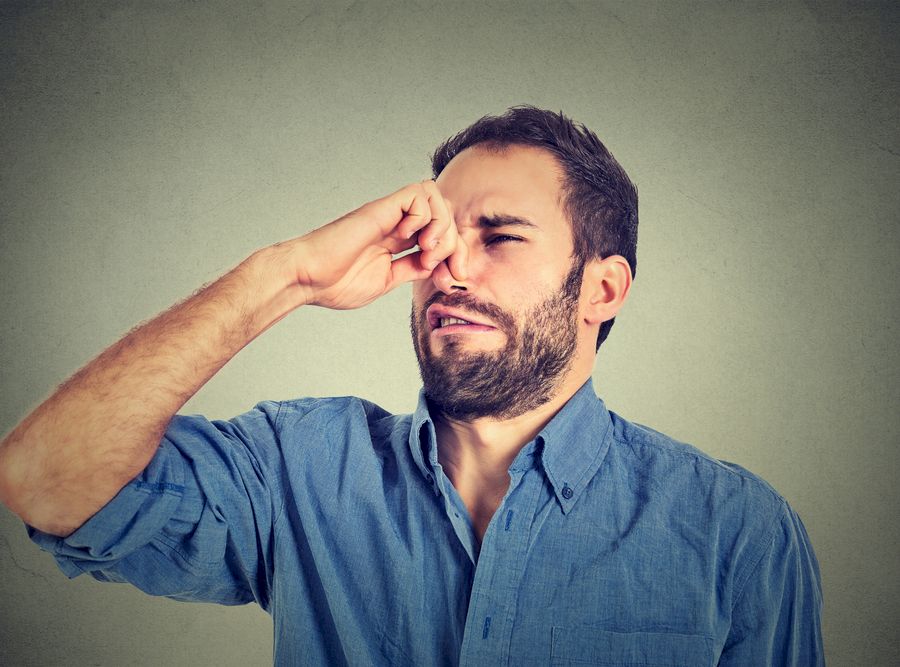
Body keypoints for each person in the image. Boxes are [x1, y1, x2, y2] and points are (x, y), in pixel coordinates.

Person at [0, 105, 823, 666]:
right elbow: (43, 476)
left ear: (601, 289)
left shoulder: (735, 532)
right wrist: (283, 275)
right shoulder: (299, 468)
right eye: (433, 237)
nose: (446, 267)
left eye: (497, 234)